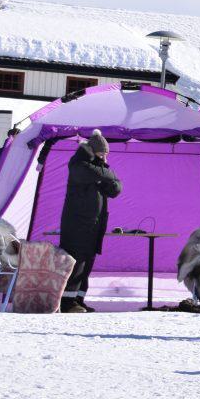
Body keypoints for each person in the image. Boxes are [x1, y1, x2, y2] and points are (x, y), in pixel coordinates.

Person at [58, 130, 122, 313]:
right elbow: (107, 175)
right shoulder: (78, 164)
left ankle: (78, 298)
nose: (105, 157)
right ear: (93, 151)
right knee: (76, 262)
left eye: (107, 154)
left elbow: (116, 188)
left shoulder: (97, 169)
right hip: (77, 224)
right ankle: (67, 302)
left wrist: (107, 177)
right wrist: (107, 175)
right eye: (102, 153)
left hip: (94, 224)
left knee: (87, 261)